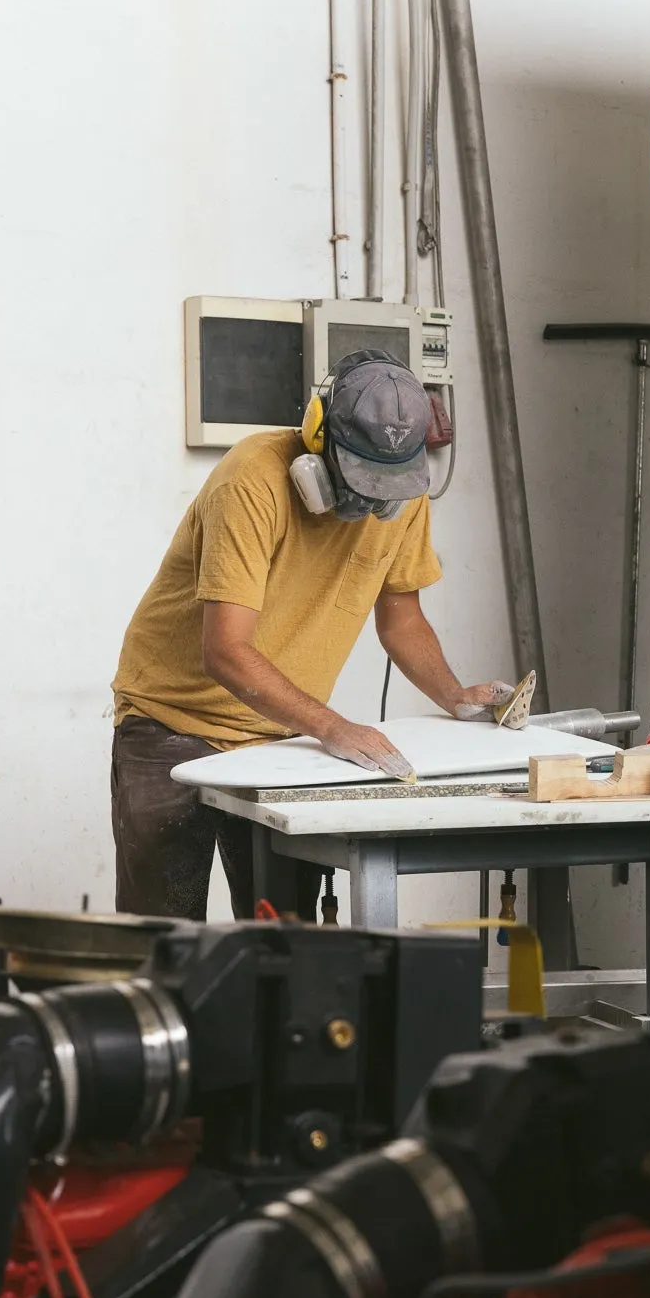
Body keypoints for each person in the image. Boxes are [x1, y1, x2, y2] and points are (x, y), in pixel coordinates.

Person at [110, 348, 511, 919]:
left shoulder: (403, 494)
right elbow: (225, 650)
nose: (373, 504)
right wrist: (331, 727)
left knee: (287, 938)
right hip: (172, 724)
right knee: (164, 943)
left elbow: (402, 621)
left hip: (280, 735)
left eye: (386, 487)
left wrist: (454, 695)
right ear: (317, 437)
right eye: (360, 480)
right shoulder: (253, 479)